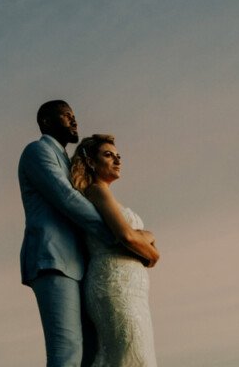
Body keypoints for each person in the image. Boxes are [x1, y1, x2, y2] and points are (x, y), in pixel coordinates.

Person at [18, 100, 104, 367]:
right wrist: (116, 233)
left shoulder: (70, 162)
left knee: (91, 352)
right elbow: (66, 198)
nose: (74, 120)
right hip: (53, 259)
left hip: (81, 265)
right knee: (67, 352)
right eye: (67, 116)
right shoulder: (37, 151)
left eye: (74, 115)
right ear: (46, 121)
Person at [70, 133, 161, 367]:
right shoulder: (96, 191)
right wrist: (152, 249)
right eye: (108, 155)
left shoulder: (107, 196)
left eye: (118, 156)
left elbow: (131, 236)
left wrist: (146, 236)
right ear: (91, 162)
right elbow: (126, 236)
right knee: (129, 357)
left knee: (137, 357)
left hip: (133, 290)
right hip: (114, 286)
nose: (117, 160)